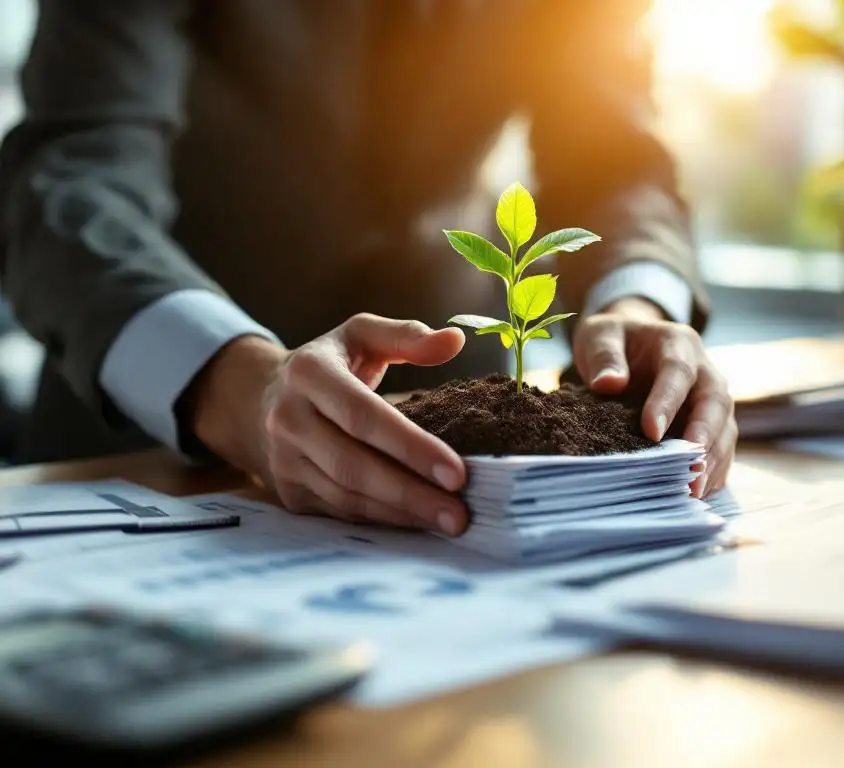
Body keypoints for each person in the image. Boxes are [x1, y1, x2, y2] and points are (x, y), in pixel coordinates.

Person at [0, 1, 736, 536]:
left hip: (465, 455)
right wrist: (233, 387)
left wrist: (638, 304)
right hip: (153, 450)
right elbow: (73, 178)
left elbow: (614, 161)